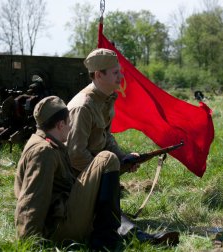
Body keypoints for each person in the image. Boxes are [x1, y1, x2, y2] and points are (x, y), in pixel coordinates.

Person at [66, 48, 179, 246]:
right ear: (99, 75)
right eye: (115, 72)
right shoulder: (83, 106)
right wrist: (106, 171)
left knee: (107, 205)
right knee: (104, 211)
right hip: (72, 181)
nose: (121, 76)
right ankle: (136, 237)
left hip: (91, 170)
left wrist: (123, 158)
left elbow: (105, 136)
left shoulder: (105, 98)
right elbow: (75, 155)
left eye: (120, 70)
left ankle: (126, 231)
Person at [14, 96, 123, 250]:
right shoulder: (44, 151)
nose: (70, 127)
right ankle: (105, 240)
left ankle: (108, 228)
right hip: (59, 229)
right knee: (107, 158)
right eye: (69, 123)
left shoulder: (43, 141)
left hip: (60, 216)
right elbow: (33, 199)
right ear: (60, 124)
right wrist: (29, 243)